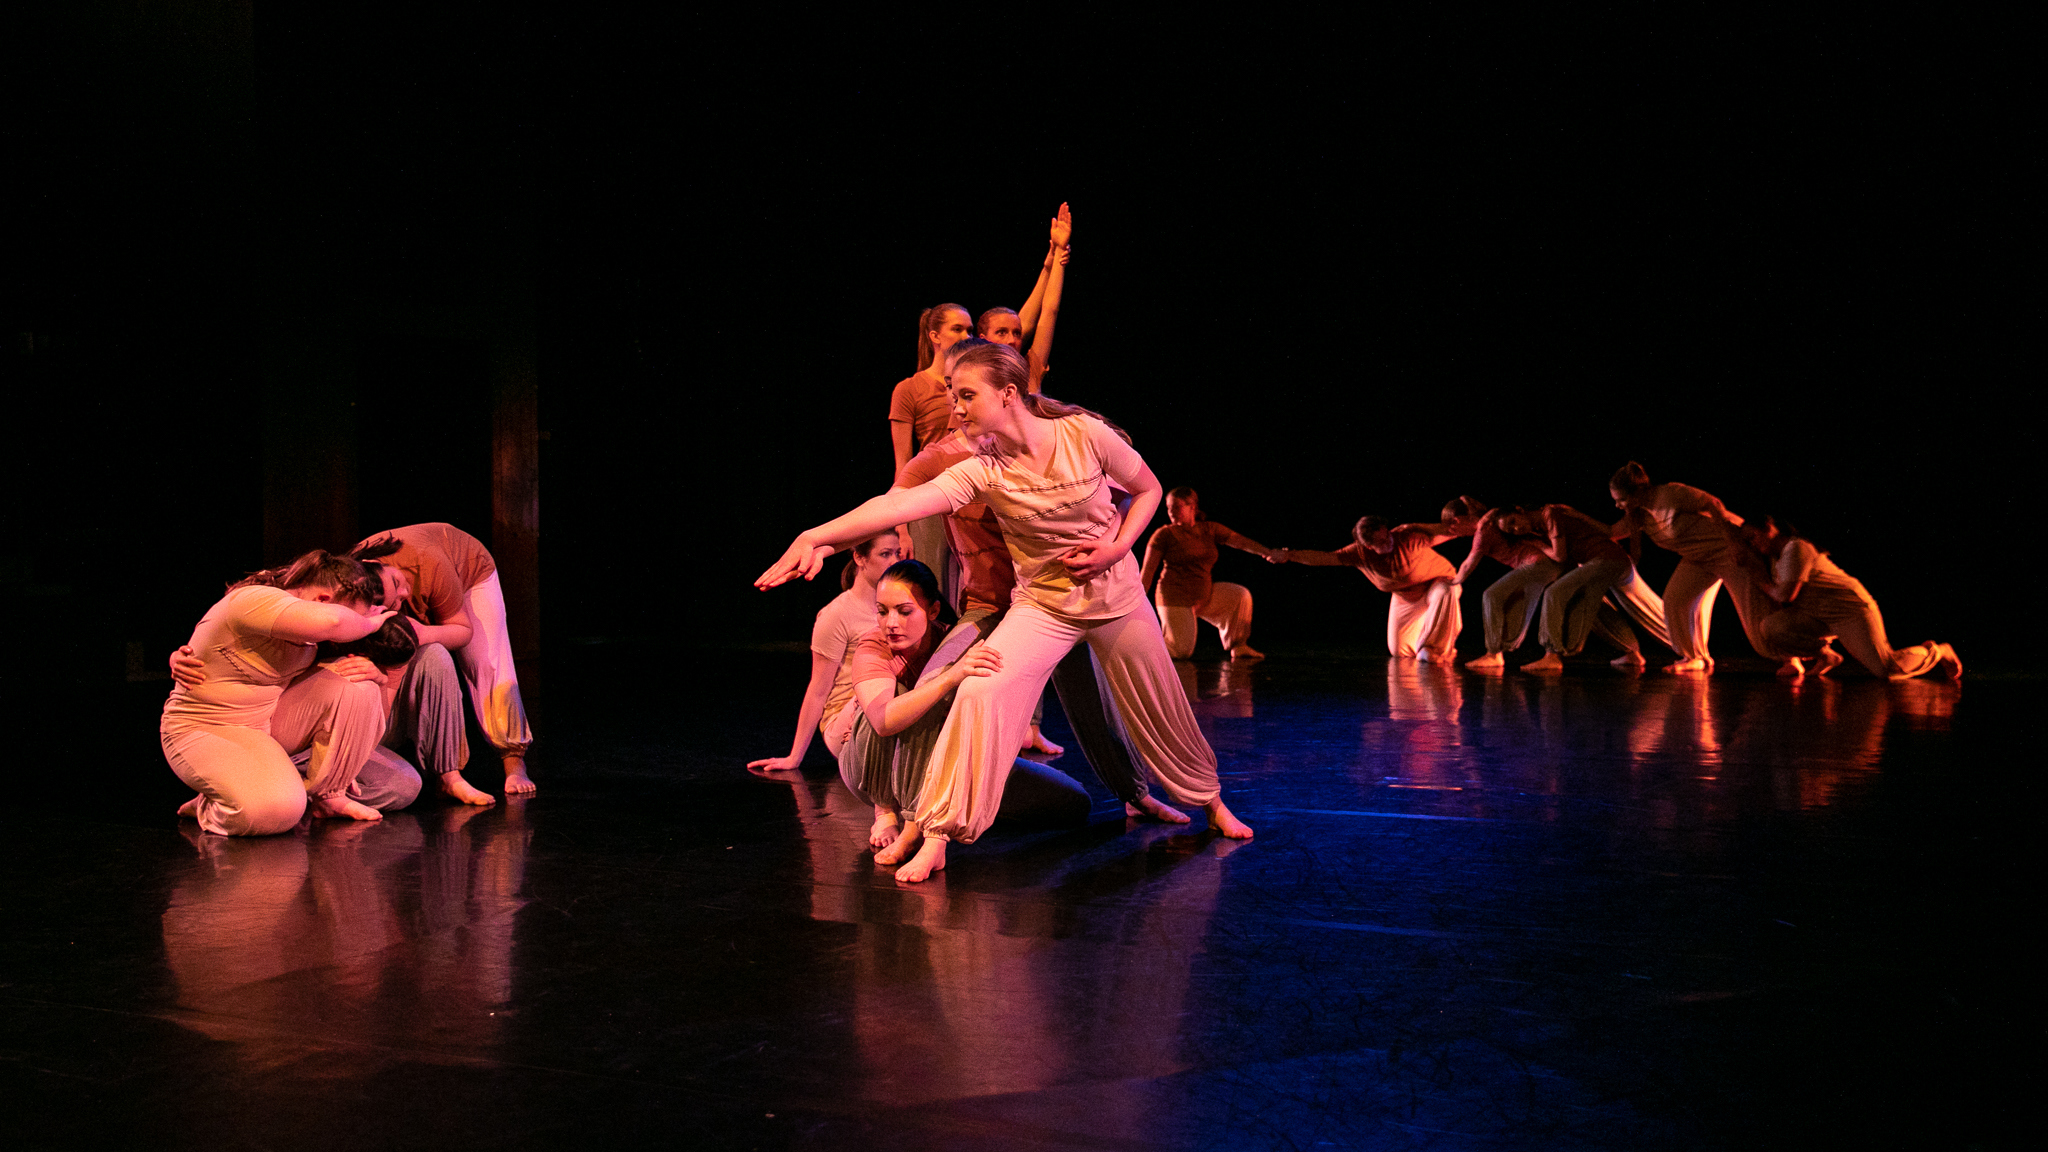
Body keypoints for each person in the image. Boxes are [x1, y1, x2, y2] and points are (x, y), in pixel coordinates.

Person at [758, 341, 1254, 884]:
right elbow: (897, 503)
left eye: (967, 395)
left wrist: (1117, 548)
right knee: (978, 689)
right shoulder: (982, 470)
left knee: (1159, 701)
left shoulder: (1083, 435)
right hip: (1044, 605)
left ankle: (1210, 803)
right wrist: (816, 537)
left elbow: (1148, 488)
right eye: (952, 395)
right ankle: (940, 834)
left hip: (1117, 598)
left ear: (1009, 394)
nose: (957, 407)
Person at [171, 563, 491, 805]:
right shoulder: (318, 607)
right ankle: (278, 791)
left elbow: (373, 704)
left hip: (339, 726)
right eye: (386, 599)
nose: (394, 606)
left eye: (388, 608)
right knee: (278, 804)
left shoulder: (370, 623)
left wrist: (381, 674)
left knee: (402, 787)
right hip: (280, 723)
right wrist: (179, 655)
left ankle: (304, 791)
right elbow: (222, 631)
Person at [839, 559, 1090, 852]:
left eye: (904, 611)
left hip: (946, 764)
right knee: (889, 703)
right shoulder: (874, 646)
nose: (891, 623)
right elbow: (882, 721)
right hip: (875, 771)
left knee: (1074, 801)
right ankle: (886, 811)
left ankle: (950, 804)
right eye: (882, 612)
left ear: (932, 610)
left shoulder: (955, 642)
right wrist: (949, 678)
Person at [162, 550, 419, 836]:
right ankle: (211, 804)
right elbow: (333, 622)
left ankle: (328, 796)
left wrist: (378, 675)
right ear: (323, 600)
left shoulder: (306, 631)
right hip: (205, 728)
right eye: (350, 617)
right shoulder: (257, 600)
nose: (352, 627)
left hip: (265, 725)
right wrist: (368, 622)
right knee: (276, 813)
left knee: (358, 682)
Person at [351, 524, 537, 792]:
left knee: (486, 663)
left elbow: (462, 631)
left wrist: (426, 633)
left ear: (372, 563)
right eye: (394, 601)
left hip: (467, 571)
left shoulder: (428, 563)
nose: (403, 594)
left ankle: (514, 760)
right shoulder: (351, 584)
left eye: (396, 582)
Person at [748, 532, 903, 772]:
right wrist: (794, 758)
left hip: (883, 714)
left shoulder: (898, 609)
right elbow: (818, 690)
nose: (894, 562)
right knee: (882, 685)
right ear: (860, 558)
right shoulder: (837, 614)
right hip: (844, 723)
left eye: (897, 554)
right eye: (885, 554)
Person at [1739, 516, 1961, 680]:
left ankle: (1939, 651)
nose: (1753, 544)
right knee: (1771, 627)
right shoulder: (1776, 559)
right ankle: (1826, 656)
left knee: (1886, 669)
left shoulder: (1796, 548)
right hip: (1817, 615)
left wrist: (1760, 581)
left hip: (1850, 610)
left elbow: (1786, 595)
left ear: (1769, 526)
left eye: (1753, 537)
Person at [1608, 462, 1779, 673]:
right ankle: (1695, 657)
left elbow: (1713, 503)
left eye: (1621, 499)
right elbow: (1610, 532)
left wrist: (1734, 543)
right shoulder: (1639, 515)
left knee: (1756, 622)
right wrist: (1573, 519)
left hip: (1728, 551)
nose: (1618, 505)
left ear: (1638, 491)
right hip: (1698, 559)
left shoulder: (1669, 494)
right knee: (1675, 600)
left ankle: (1796, 657)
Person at [1271, 516, 1465, 663]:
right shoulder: (1359, 553)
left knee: (1446, 592)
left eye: (1387, 535)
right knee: (1401, 651)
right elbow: (1324, 558)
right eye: (1381, 542)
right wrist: (1290, 555)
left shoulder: (1406, 537)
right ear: (1368, 546)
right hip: (1405, 595)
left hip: (1437, 581)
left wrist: (1421, 526)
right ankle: (1426, 641)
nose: (1388, 542)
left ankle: (1435, 650)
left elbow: (1447, 532)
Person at [1504, 504, 1652, 672]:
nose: (1516, 529)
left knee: (1555, 593)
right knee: (1594, 608)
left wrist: (1540, 545)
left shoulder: (1549, 515)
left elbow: (1560, 556)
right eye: (1511, 530)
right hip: (1605, 560)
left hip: (1608, 559)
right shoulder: (1540, 528)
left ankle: (1551, 656)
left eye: (1513, 521)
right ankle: (1633, 653)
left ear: (1520, 509)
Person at [891, 303, 974, 589]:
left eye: (969, 330)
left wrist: (1051, 269)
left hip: (972, 492)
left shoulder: (974, 385)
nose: (966, 335)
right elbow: (903, 463)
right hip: (931, 496)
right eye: (957, 328)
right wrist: (902, 529)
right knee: (935, 586)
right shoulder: (910, 389)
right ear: (935, 336)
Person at [1140, 486, 1274, 660]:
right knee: (1180, 651)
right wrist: (1136, 603)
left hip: (1204, 595)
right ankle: (1138, 650)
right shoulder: (1164, 534)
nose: (1171, 512)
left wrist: (1267, 552)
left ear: (1192, 507)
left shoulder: (1209, 529)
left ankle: (1238, 646)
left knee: (1239, 596)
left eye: (1177, 507)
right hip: (1175, 598)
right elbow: (1148, 571)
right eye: (1168, 507)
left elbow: (1240, 541)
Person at [1446, 507, 1563, 670]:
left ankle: (1493, 654)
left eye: (1452, 528)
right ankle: (1548, 656)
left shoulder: (1483, 531)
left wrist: (1452, 581)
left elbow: (1467, 565)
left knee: (1492, 595)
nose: (1454, 534)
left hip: (1537, 564)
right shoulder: (1493, 522)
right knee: (1516, 605)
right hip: (1543, 566)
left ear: (1459, 520)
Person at [975, 203, 1073, 394]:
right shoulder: (972, 375)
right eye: (1001, 333)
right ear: (983, 339)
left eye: (1017, 334)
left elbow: (1050, 311)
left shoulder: (1029, 371)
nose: (1012, 340)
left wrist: (1059, 252)